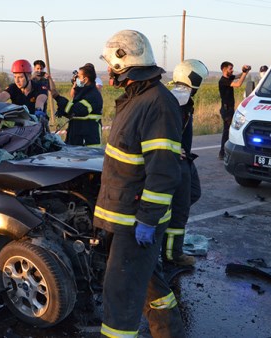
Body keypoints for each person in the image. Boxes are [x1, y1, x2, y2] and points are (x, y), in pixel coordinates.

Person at [95, 30, 185, 337]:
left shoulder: (157, 104)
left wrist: (147, 219)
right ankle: (169, 331)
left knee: (119, 293)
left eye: (112, 65)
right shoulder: (136, 100)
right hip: (127, 218)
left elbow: (163, 172)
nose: (108, 71)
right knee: (147, 282)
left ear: (125, 63)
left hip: (137, 222)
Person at [162, 59, 208, 266]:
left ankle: (167, 235)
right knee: (180, 210)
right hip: (175, 161)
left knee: (193, 194)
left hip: (185, 159)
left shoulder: (183, 99)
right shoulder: (177, 100)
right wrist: (171, 148)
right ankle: (173, 254)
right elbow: (160, 128)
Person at [51, 63, 103, 146]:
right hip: (77, 137)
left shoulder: (93, 96)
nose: (76, 79)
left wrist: (57, 97)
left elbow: (75, 110)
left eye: (78, 77)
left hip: (88, 142)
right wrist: (62, 111)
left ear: (85, 80)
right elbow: (72, 111)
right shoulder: (82, 92)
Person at [218, 61, 250, 160]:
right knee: (227, 131)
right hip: (226, 109)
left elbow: (238, 76)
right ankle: (222, 153)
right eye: (230, 69)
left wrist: (245, 70)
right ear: (224, 69)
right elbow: (238, 84)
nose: (232, 71)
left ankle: (223, 152)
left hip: (229, 108)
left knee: (228, 130)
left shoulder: (229, 77)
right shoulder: (223, 81)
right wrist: (244, 74)